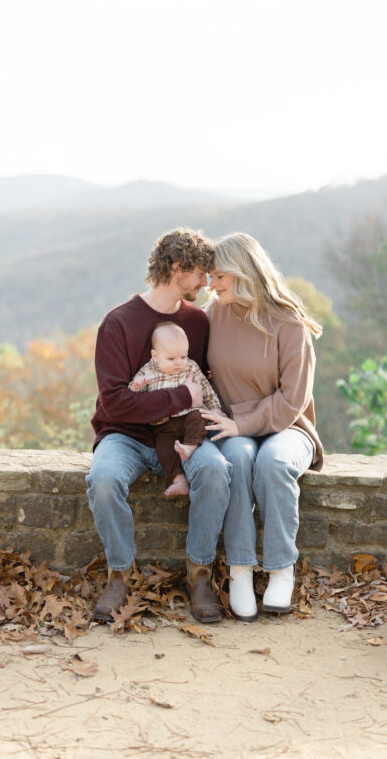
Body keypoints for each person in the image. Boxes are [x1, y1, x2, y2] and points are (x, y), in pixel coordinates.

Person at [86, 228, 232, 625]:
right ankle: (120, 574)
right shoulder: (118, 323)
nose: (206, 282)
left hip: (183, 435)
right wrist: (181, 399)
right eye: (201, 273)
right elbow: (116, 401)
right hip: (125, 435)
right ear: (177, 266)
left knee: (217, 472)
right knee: (102, 478)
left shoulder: (198, 323)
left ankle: (199, 573)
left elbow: (202, 381)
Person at [200, 232, 324, 622]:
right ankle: (239, 571)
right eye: (210, 277)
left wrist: (243, 422)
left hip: (289, 427)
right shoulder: (212, 315)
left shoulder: (290, 324)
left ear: (243, 271)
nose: (212, 284)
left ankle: (280, 569)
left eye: (219, 276)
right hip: (232, 428)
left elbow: (292, 400)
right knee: (235, 457)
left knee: (273, 462)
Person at [129, 321, 224, 498]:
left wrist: (215, 408)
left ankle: (189, 446)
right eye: (171, 359)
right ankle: (179, 479)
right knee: (163, 451)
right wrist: (136, 386)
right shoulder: (148, 371)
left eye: (183, 356)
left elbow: (205, 388)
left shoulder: (191, 367)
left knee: (198, 417)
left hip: (188, 417)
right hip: (164, 425)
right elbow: (132, 398)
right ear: (155, 356)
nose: (179, 363)